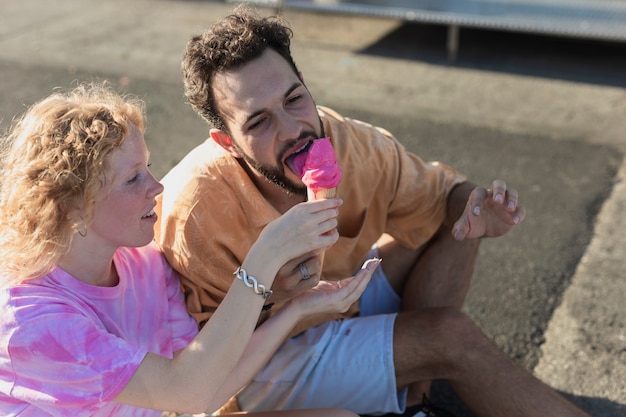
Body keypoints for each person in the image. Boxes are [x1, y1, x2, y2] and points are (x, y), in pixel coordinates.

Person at [155, 5, 591, 417]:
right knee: (451, 337)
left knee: (455, 225)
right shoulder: (195, 212)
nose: (293, 130)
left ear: (305, 84)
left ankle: (414, 401)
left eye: (294, 99)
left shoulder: (356, 146)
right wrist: (273, 294)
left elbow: (443, 192)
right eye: (258, 122)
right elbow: (204, 372)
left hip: (339, 303)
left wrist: (476, 206)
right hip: (263, 369)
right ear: (227, 142)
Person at [0, 82, 379, 417]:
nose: (156, 186)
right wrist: (264, 257)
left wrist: (298, 308)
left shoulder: (143, 265)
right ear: (73, 205)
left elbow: (209, 383)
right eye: (133, 178)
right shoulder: (29, 322)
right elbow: (187, 392)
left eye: (147, 167)